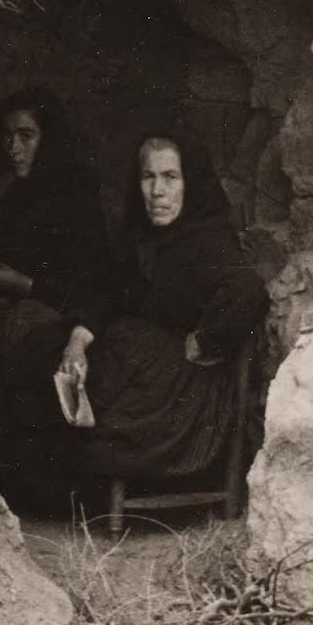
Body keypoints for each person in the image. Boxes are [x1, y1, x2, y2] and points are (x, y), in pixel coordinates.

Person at [58, 132, 267, 484]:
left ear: (190, 183)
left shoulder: (209, 241)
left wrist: (203, 340)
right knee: (52, 352)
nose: (157, 191)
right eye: (148, 177)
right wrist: (77, 341)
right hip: (147, 380)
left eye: (170, 177)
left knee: (124, 348)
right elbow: (107, 294)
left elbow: (249, 292)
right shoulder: (141, 238)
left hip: (188, 397)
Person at [0, 88, 109, 512]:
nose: (14, 147)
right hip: (18, 309)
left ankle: (45, 499)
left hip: (65, 316)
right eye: (7, 136)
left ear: (49, 139)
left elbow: (91, 282)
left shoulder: (77, 197)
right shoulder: (12, 192)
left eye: (26, 136)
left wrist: (23, 284)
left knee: (19, 353)